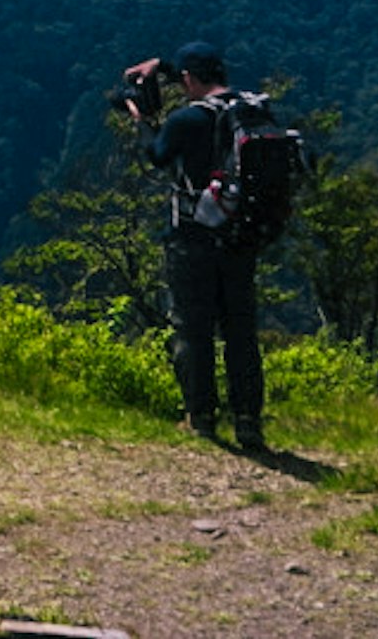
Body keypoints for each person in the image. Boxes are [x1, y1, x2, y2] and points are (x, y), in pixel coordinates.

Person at [121, 41, 266, 454]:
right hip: (243, 236)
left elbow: (157, 156)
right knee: (241, 330)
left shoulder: (186, 120)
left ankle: (200, 416)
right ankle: (249, 421)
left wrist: (142, 119)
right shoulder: (248, 111)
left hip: (193, 238)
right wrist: (164, 67)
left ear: (188, 80)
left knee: (193, 328)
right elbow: (194, 78)